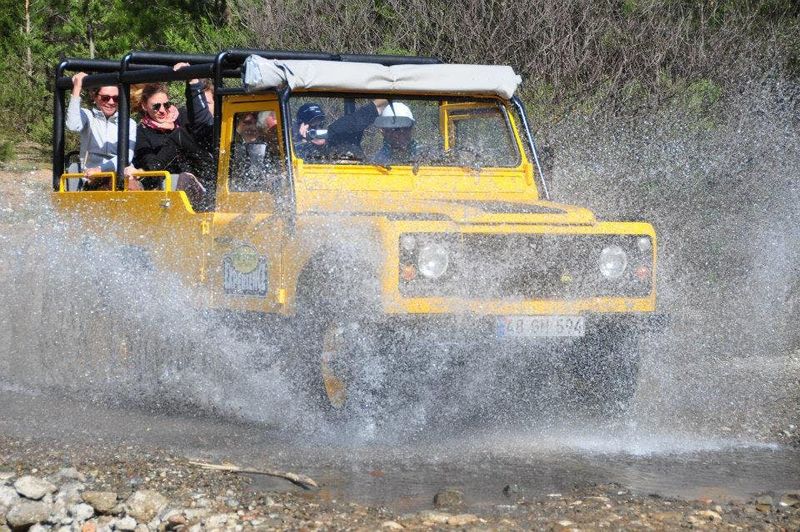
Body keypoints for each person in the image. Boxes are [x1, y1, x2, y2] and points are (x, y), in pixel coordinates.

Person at [132, 83, 211, 206]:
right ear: (144, 106)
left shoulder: (183, 117)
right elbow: (151, 165)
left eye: (166, 105)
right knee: (184, 178)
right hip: (164, 183)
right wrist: (175, 140)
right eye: (156, 106)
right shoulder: (141, 132)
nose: (162, 110)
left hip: (198, 177)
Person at [66, 72, 137, 190]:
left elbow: (127, 156)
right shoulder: (88, 116)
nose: (111, 102)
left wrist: (101, 169)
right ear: (95, 97)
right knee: (106, 187)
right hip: (92, 176)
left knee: (131, 185)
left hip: (120, 171)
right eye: (105, 98)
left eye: (116, 98)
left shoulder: (129, 123)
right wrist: (77, 88)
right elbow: (72, 125)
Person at [294, 99, 388, 161]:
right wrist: (303, 141)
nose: (318, 128)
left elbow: (378, 105)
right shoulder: (295, 152)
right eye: (312, 126)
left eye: (320, 123)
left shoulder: (338, 134)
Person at [229, 111, 281, 192]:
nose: (252, 127)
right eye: (247, 123)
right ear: (237, 125)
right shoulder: (231, 147)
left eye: (255, 124)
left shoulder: (268, 146)